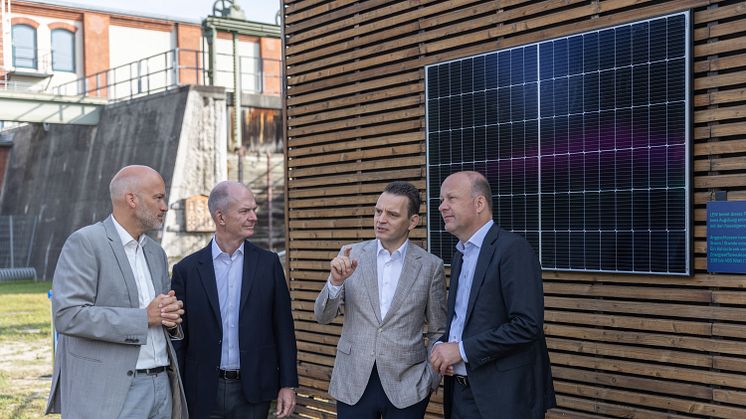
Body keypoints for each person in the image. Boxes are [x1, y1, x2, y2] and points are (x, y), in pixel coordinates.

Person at [46, 165, 187, 419]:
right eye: (158, 197)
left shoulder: (156, 253)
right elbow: (68, 315)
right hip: (113, 392)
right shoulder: (86, 243)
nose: (164, 206)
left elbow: (160, 314)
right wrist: (144, 318)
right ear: (131, 199)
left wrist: (170, 317)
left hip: (162, 385)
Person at [315, 181, 447, 419]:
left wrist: (430, 378)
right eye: (378, 211)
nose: (381, 219)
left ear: (413, 222)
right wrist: (334, 283)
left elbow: (439, 329)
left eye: (392, 214)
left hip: (407, 386)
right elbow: (322, 317)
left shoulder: (430, 267)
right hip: (353, 381)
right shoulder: (350, 254)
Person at [430, 171, 556, 419]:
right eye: (441, 199)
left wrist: (461, 350)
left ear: (479, 203)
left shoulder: (512, 249)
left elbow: (527, 325)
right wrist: (441, 346)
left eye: (451, 198)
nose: (441, 206)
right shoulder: (460, 254)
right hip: (460, 394)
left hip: (503, 400)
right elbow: (464, 321)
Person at [171, 181, 298, 419]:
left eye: (254, 210)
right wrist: (175, 387)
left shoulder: (268, 264)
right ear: (220, 217)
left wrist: (288, 384)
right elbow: (179, 337)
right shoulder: (186, 271)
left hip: (253, 390)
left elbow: (283, 328)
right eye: (244, 211)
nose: (253, 217)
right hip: (202, 391)